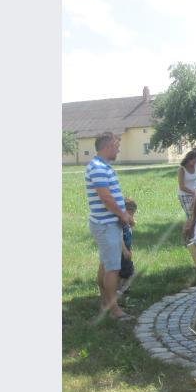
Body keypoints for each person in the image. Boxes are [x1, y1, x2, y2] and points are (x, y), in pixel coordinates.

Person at [85, 132, 135, 321]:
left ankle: (106, 303)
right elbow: (105, 198)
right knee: (112, 268)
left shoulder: (102, 166)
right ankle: (115, 310)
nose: (119, 149)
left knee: (106, 265)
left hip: (107, 224)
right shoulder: (98, 167)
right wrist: (123, 215)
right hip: (106, 225)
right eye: (116, 146)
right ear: (107, 146)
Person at [118, 198, 138, 294]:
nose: (132, 217)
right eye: (131, 214)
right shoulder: (121, 225)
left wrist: (131, 222)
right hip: (122, 252)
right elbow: (119, 238)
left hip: (126, 250)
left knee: (124, 271)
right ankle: (121, 290)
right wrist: (125, 250)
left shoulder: (126, 223)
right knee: (128, 272)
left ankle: (121, 288)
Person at [178, 150, 196, 219]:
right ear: (189, 159)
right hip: (184, 195)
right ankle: (189, 228)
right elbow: (181, 187)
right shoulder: (182, 169)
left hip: (195, 194)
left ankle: (195, 228)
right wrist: (193, 192)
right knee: (190, 215)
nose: (195, 163)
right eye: (193, 161)